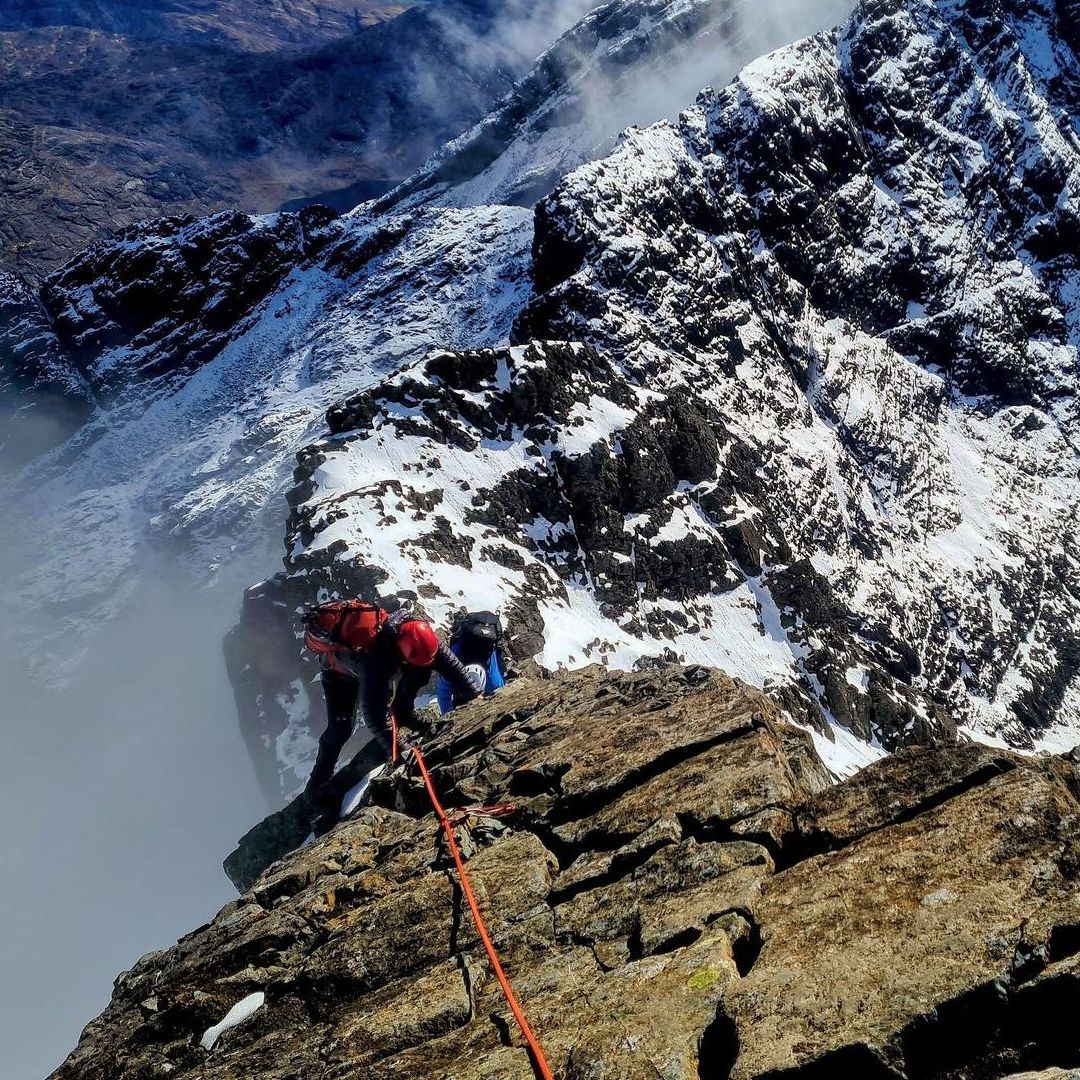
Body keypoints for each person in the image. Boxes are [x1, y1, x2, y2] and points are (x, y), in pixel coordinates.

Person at [302, 603, 481, 810]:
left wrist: (475, 694)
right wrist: (405, 754)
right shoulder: (374, 662)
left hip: (393, 662)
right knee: (340, 729)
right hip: (339, 675)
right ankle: (316, 783)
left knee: (419, 673)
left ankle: (406, 716)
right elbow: (376, 719)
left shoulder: (419, 634)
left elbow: (449, 664)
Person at [437, 610, 507, 715]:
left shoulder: (450, 669)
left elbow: (443, 695)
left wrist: (447, 716)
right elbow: (501, 689)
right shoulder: (451, 668)